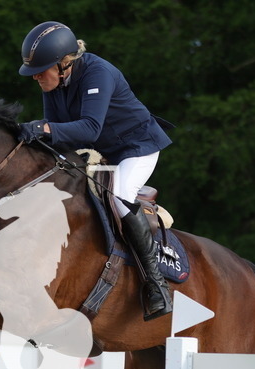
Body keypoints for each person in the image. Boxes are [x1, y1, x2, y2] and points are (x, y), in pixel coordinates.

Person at [17, 21, 174, 321]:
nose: (36, 76)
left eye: (42, 69)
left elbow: (89, 128)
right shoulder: (53, 84)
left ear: (65, 64)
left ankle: (156, 286)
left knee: (118, 197)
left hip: (136, 147)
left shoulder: (97, 72)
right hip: (101, 152)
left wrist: (43, 127)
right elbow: (59, 135)